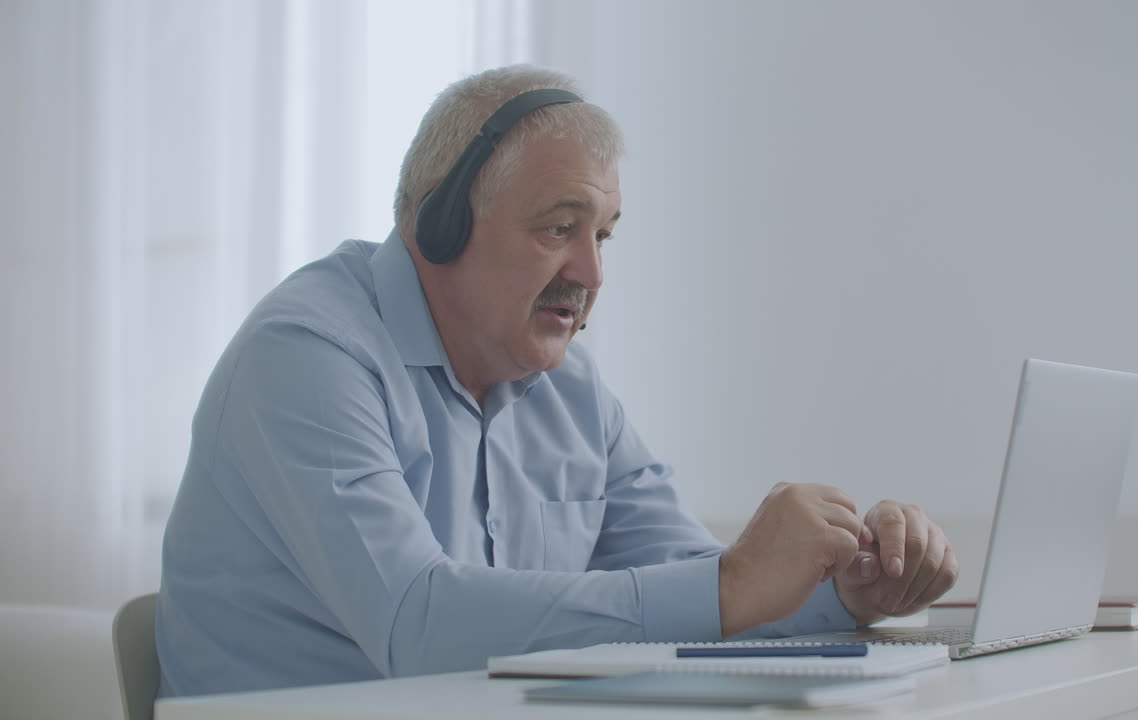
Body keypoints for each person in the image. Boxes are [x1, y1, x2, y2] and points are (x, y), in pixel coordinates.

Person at [155, 65, 958, 698]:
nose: (592, 273)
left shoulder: (571, 391)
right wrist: (736, 583)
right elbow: (416, 627)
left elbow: (706, 593)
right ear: (439, 224)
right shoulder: (307, 355)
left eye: (602, 235)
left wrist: (847, 590)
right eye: (559, 229)